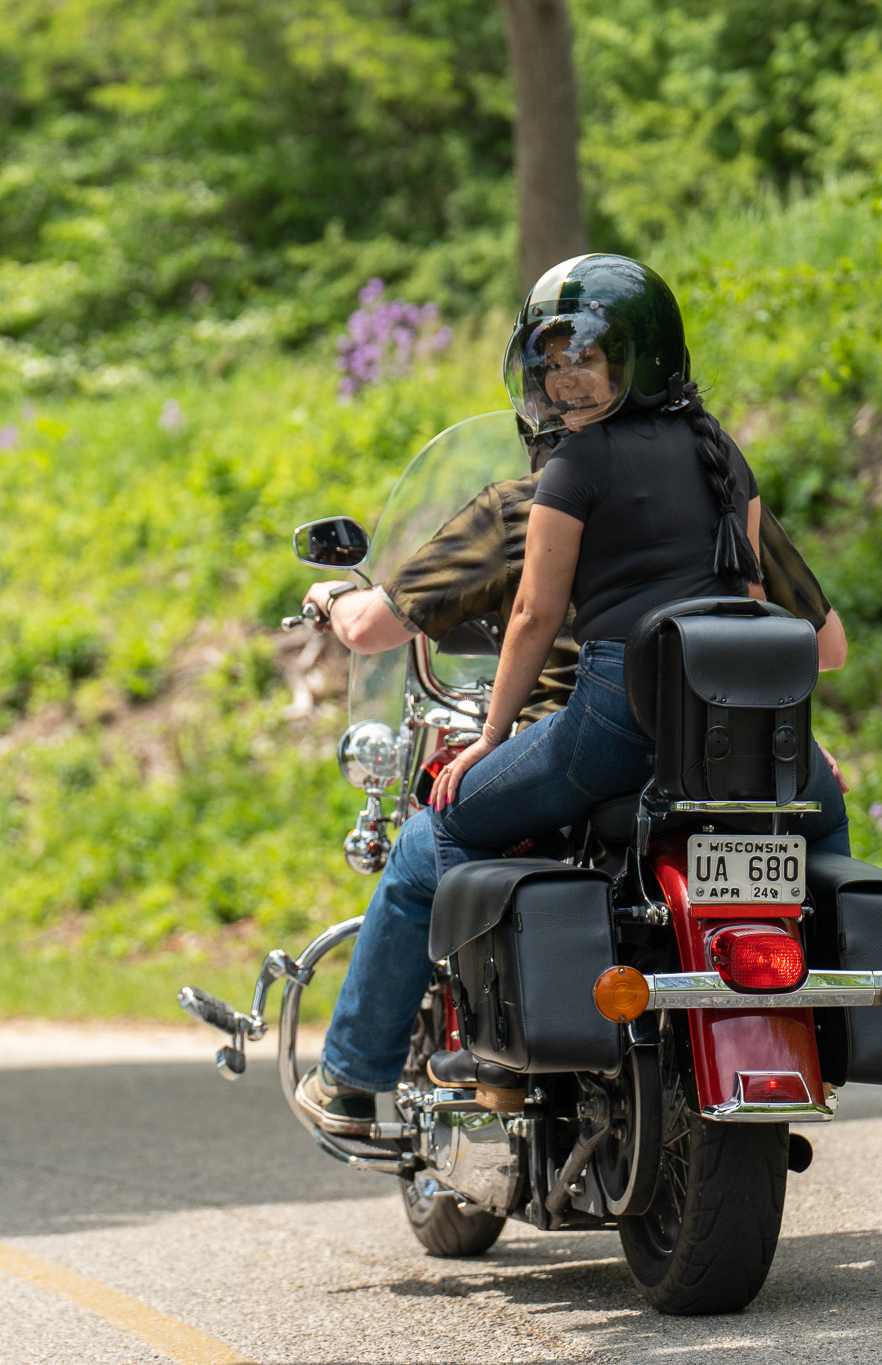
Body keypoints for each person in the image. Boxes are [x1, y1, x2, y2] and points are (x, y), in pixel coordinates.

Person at [293, 257, 851, 1134]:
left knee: (434, 834)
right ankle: (827, 1013)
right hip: (731, 729)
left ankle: (359, 1074)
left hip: (609, 722)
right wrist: (784, 732)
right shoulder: (722, 460)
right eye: (552, 361)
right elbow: (777, 624)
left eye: (586, 357)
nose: (563, 377)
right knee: (824, 818)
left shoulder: (564, 474)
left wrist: (490, 734)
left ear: (639, 360)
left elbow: (532, 612)